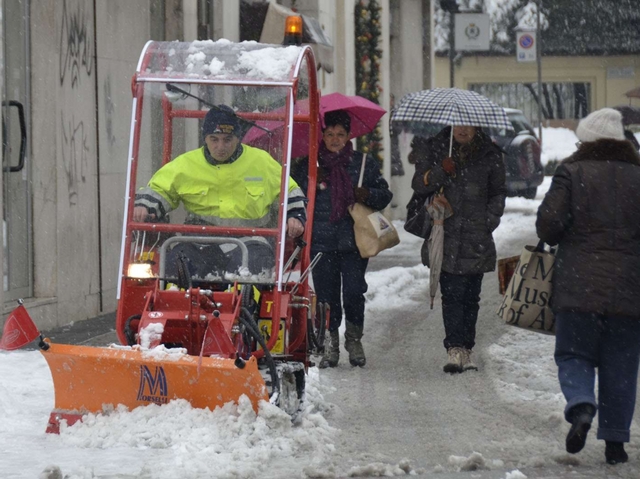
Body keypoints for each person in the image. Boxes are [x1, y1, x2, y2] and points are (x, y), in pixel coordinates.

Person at [536, 107, 640, 465]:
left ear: (588, 141)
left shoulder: (571, 172)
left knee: (573, 354)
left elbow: (548, 226)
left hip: (578, 287)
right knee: (622, 364)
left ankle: (581, 405)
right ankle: (615, 443)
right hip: (630, 290)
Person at [133, 105, 306, 278]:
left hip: (251, 242)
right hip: (198, 242)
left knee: (251, 273)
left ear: (238, 138)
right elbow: (159, 189)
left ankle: (247, 304)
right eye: (214, 139)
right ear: (205, 139)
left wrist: (295, 216)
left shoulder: (261, 162)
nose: (220, 146)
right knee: (175, 268)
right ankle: (177, 302)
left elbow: (289, 190)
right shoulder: (185, 165)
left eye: (227, 139)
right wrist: (145, 206)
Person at [292, 110, 392, 368]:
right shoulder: (309, 165)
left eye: (340, 135)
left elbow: (385, 195)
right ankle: (330, 343)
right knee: (326, 296)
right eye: (329, 134)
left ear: (349, 136)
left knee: (354, 291)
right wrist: (313, 182)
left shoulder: (362, 163)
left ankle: (354, 339)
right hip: (321, 242)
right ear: (322, 136)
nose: (335, 140)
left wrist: (366, 193)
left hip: (354, 242)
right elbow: (295, 196)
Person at [410, 125, 506, 374]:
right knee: (451, 294)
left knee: (471, 297)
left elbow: (498, 193)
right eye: (458, 125)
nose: (462, 130)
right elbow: (419, 185)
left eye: (468, 125)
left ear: (477, 126)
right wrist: (442, 169)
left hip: (477, 234)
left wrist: (489, 221)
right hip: (445, 231)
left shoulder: (490, 154)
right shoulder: (437, 148)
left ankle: (467, 348)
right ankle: (454, 348)